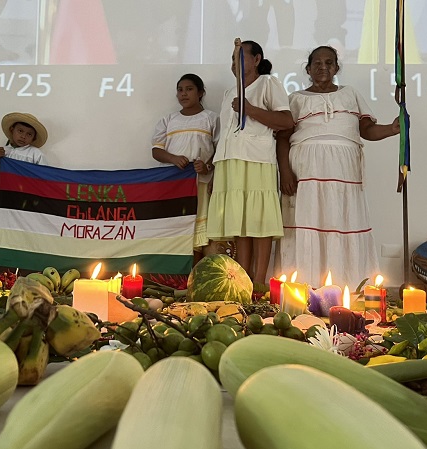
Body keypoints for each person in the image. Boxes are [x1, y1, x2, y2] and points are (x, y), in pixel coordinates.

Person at [275, 45, 399, 288]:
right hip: (306, 171)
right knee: (308, 222)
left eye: (329, 63)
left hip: (344, 171)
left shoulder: (350, 94)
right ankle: (304, 285)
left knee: (342, 221)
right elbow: (282, 138)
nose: (323, 67)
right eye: (317, 63)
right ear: (308, 69)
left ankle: (347, 285)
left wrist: (392, 129)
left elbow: (367, 130)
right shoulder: (296, 99)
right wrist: (285, 172)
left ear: (336, 67)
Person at [207, 40, 294, 284]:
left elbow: (286, 121)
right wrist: (216, 170)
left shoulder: (268, 83)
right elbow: (225, 134)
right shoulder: (229, 92)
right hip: (229, 162)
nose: (235, 63)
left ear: (256, 60)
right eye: (233, 59)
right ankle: (244, 278)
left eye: (241, 57)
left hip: (256, 159)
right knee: (241, 220)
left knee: (259, 219)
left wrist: (250, 110)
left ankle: (259, 280)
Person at [151, 73, 219, 264]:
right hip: (174, 185)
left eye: (189, 89)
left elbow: (220, 150)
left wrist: (206, 166)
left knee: (197, 230)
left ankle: (195, 272)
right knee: (176, 227)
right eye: (180, 90)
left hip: (200, 184)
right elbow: (156, 151)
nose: (184, 94)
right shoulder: (169, 120)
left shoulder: (211, 118)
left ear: (201, 93)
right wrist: (173, 159)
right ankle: (175, 274)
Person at [0, 112, 48, 182]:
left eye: (29, 134)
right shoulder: (1, 151)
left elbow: (45, 176)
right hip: (3, 188)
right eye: (20, 131)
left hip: (25, 188)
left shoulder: (36, 154)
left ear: (34, 138)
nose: (23, 136)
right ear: (12, 130)